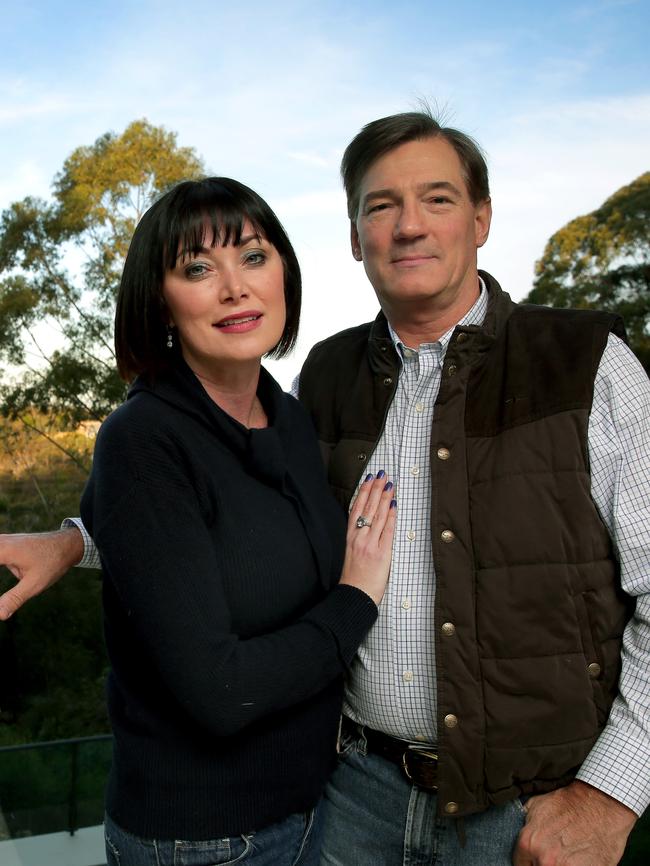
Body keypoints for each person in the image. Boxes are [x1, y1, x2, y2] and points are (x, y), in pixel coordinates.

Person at [0, 110, 648, 865]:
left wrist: (612, 793)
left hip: (522, 814)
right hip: (347, 799)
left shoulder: (589, 368)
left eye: (436, 199)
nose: (408, 226)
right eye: (381, 206)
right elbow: (210, 527)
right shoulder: (326, 383)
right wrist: (80, 540)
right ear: (353, 239)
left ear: (481, 217)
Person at [0, 176, 397, 866]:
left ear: (284, 273)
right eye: (196, 269)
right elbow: (222, 691)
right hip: (205, 840)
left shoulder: (291, 419)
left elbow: (213, 537)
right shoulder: (143, 439)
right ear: (160, 302)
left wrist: (73, 542)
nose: (235, 287)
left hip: (317, 808)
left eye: (253, 256)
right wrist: (356, 599)